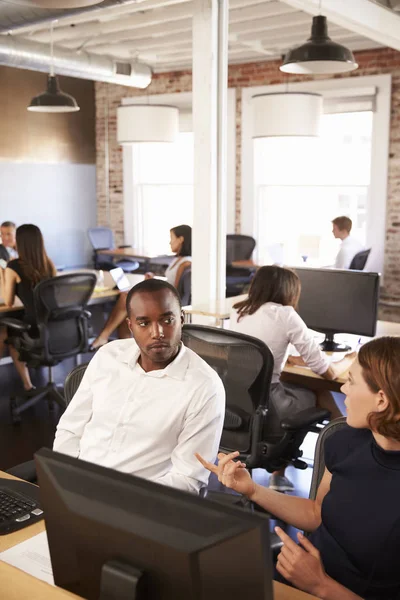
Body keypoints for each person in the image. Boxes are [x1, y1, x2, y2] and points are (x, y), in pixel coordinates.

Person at [196, 336, 400, 600]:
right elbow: (317, 513)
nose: (344, 390)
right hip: (299, 578)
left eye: (351, 381)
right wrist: (252, 489)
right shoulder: (345, 440)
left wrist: (321, 585)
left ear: (381, 400)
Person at [54, 278, 225, 494]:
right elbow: (70, 429)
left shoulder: (204, 386)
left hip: (139, 502)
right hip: (76, 485)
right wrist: (65, 476)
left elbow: (187, 479)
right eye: (144, 323)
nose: (157, 333)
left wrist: (117, 494)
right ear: (131, 326)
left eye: (167, 320)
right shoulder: (108, 356)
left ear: (181, 319)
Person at [229, 265, 355, 492]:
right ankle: (347, 449)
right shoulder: (286, 315)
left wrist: (291, 359)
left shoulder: (238, 312)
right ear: (288, 291)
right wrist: (349, 360)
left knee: (301, 388)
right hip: (270, 405)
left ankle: (342, 445)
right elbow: (325, 370)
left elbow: (260, 352)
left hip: (239, 405)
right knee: (318, 392)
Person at [90, 224, 192, 350]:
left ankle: (104, 336)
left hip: (165, 302)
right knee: (127, 303)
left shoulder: (185, 263)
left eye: (172, 238)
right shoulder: (178, 259)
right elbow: (169, 282)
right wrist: (153, 279)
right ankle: (126, 347)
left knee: (127, 298)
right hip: (161, 297)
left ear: (181, 239)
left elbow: (173, 291)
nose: (170, 242)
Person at [0, 224, 56, 390]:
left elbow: (8, 301)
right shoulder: (48, 263)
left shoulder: (13, 266)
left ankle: (28, 385)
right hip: (54, 325)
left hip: (34, 327)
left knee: (10, 335)